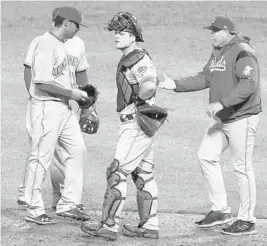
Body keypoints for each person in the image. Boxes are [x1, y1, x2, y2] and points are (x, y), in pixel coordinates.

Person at [158, 15, 262, 236]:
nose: (211, 34)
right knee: (206, 155)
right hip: (222, 118)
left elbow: (249, 85)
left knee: (242, 168)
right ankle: (221, 210)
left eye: (215, 31)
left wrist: (223, 103)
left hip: (242, 117)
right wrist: (174, 84)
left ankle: (247, 220)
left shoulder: (243, 51)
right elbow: (204, 78)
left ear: (227, 32)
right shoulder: (218, 52)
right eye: (211, 30)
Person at [81, 12, 160, 241]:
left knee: (117, 173)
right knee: (143, 173)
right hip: (140, 124)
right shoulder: (131, 56)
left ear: (133, 37)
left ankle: (109, 225)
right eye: (116, 32)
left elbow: (149, 82)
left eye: (122, 33)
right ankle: (150, 226)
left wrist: (143, 97)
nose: (117, 36)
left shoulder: (139, 59)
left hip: (136, 125)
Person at [23, 6, 91, 225]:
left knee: (77, 150)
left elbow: (77, 74)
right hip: (46, 107)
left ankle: (68, 203)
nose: (78, 30)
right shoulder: (45, 44)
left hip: (64, 108)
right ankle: (33, 207)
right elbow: (41, 82)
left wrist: (84, 101)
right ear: (67, 23)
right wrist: (72, 93)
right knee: (41, 157)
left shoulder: (62, 45)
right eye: (77, 25)